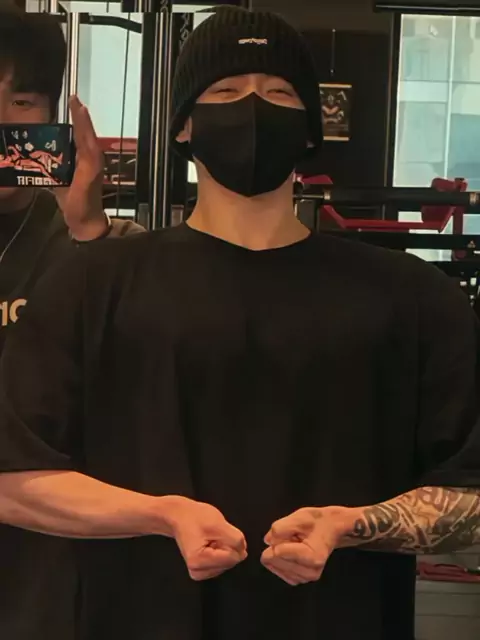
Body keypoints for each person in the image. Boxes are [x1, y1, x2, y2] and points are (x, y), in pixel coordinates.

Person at [0, 6, 478, 640]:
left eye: (278, 94)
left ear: (310, 128)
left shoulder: (413, 297)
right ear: (184, 125)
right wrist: (159, 515)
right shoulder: (91, 285)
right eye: (225, 92)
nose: (253, 108)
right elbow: (13, 479)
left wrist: (352, 524)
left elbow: (469, 494)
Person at [0, 7, 143, 640]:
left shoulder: (105, 245)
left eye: (22, 102)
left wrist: (88, 226)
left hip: (55, 554)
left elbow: (141, 373)